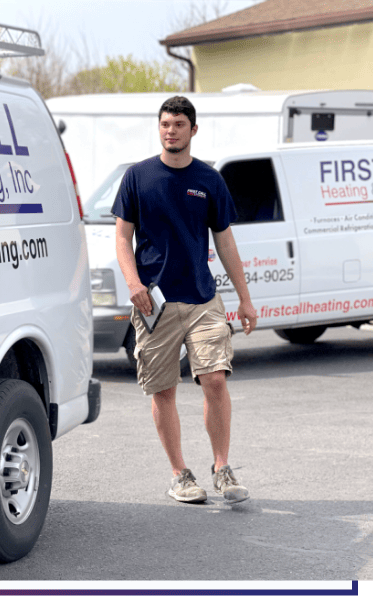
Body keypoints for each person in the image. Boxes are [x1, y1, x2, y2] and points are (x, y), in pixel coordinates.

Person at [111, 96, 256, 504]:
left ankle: (222, 468)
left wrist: (245, 300)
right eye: (164, 124)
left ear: (194, 130)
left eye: (178, 124)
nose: (170, 130)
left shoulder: (209, 180)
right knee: (163, 391)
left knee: (214, 378)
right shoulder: (137, 177)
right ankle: (179, 473)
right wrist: (133, 282)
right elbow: (122, 238)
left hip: (202, 298)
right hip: (153, 303)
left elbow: (225, 242)